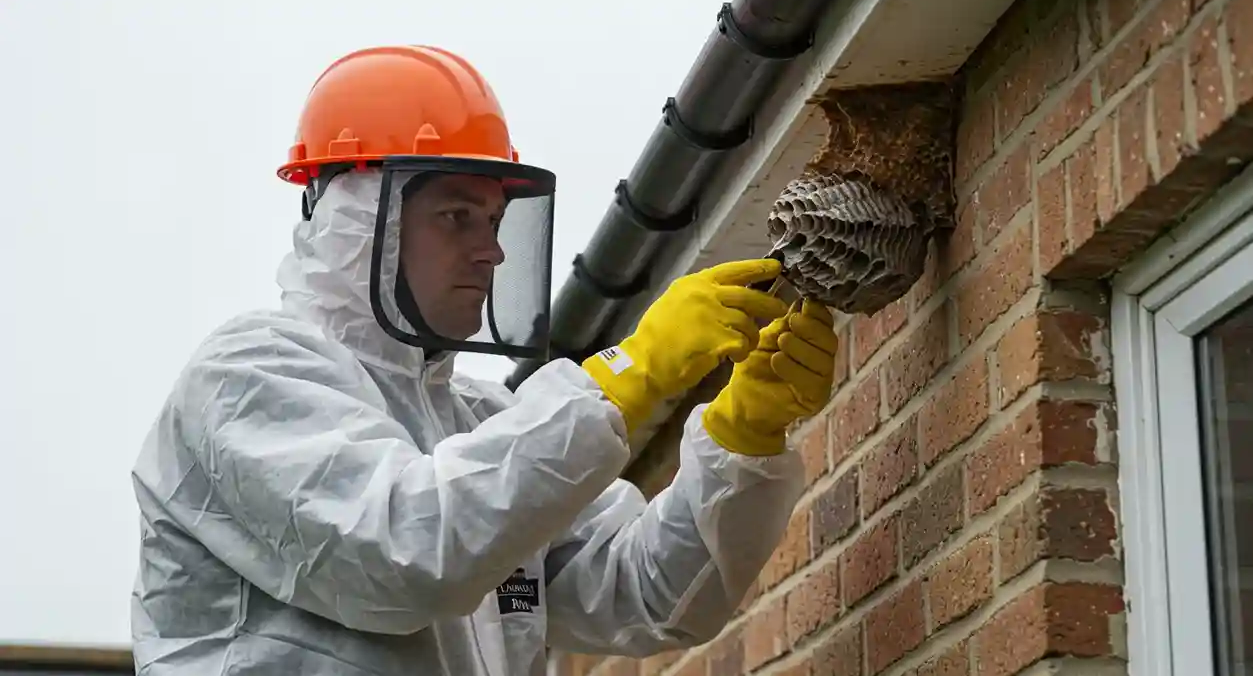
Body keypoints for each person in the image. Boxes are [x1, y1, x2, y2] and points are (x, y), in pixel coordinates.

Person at [129, 45, 840, 675]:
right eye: (456, 215)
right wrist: (630, 372)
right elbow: (405, 551)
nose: (491, 250)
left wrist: (741, 434)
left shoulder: (481, 424)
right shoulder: (249, 374)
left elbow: (649, 595)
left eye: (496, 221)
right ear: (359, 218)